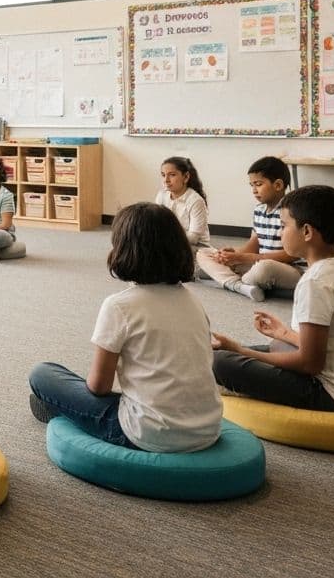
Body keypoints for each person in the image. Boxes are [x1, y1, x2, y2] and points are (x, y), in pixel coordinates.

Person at [28, 202, 221, 451]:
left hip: (148, 434)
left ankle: (57, 407)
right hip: (207, 429)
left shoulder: (119, 306)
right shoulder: (192, 300)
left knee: (42, 374)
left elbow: (99, 387)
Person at [212, 185, 334, 412]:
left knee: (219, 362)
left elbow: (310, 364)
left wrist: (240, 350)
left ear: (307, 232)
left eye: (284, 226)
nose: (280, 233)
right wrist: (282, 333)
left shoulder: (315, 282)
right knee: (276, 344)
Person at [195, 156, 304, 302]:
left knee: (264, 269)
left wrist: (244, 258)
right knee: (204, 253)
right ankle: (241, 285)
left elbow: (292, 255)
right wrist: (234, 254)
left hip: (289, 268)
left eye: (258, 184)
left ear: (278, 185)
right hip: (258, 261)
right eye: (251, 185)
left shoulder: (291, 211)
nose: (254, 190)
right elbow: (254, 242)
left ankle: (229, 279)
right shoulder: (259, 210)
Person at [156, 156, 210, 248]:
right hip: (170, 241)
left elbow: (193, 238)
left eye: (172, 175)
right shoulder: (162, 195)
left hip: (196, 246)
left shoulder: (196, 201)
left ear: (186, 177)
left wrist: (166, 238)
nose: (166, 180)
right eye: (163, 175)